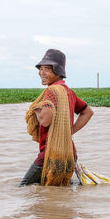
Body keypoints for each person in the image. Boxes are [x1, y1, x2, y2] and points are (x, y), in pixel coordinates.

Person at [20, 49, 93, 187]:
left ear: (58, 70)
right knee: (60, 190)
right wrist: (69, 131)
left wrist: (36, 110)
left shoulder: (51, 92)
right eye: (41, 69)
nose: (42, 72)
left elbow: (45, 120)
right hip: (70, 154)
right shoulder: (68, 92)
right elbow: (87, 112)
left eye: (47, 69)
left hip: (50, 154)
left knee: (24, 188)